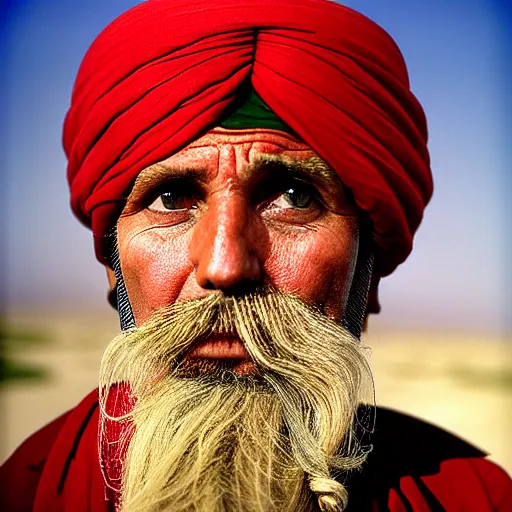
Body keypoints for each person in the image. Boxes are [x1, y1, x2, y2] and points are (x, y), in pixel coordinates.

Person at [1, 0, 511, 511]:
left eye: (294, 197)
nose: (224, 267)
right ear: (114, 265)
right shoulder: (26, 491)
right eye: (172, 199)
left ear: (369, 270)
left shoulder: (473, 497)